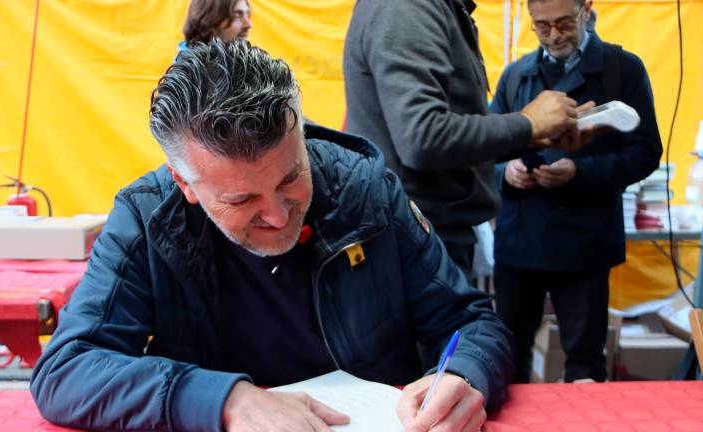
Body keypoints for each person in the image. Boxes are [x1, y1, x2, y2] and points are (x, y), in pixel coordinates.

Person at [30, 39, 513, 432]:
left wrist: (463, 374)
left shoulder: (365, 189)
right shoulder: (147, 218)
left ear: (301, 138)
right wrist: (224, 400)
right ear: (185, 184)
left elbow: (470, 321)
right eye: (241, 201)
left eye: (291, 178)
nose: (279, 217)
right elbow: (65, 370)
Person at [343, 0, 593, 277]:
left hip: (421, 235)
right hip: (413, 239)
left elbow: (436, 131)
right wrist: (527, 124)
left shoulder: (434, 8)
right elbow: (423, 137)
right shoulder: (406, 8)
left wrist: (532, 136)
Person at [490, 0, 662, 383]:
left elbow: (646, 151)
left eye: (564, 23)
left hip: (584, 243)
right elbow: (485, 149)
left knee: (584, 364)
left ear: (586, 9)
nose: (553, 36)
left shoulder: (621, 69)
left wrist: (579, 172)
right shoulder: (517, 75)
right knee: (505, 361)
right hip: (520, 243)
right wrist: (506, 171)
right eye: (542, 26)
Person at [181, 0, 251, 45]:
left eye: (247, 14)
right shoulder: (187, 67)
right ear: (208, 20)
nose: (248, 25)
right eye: (236, 15)